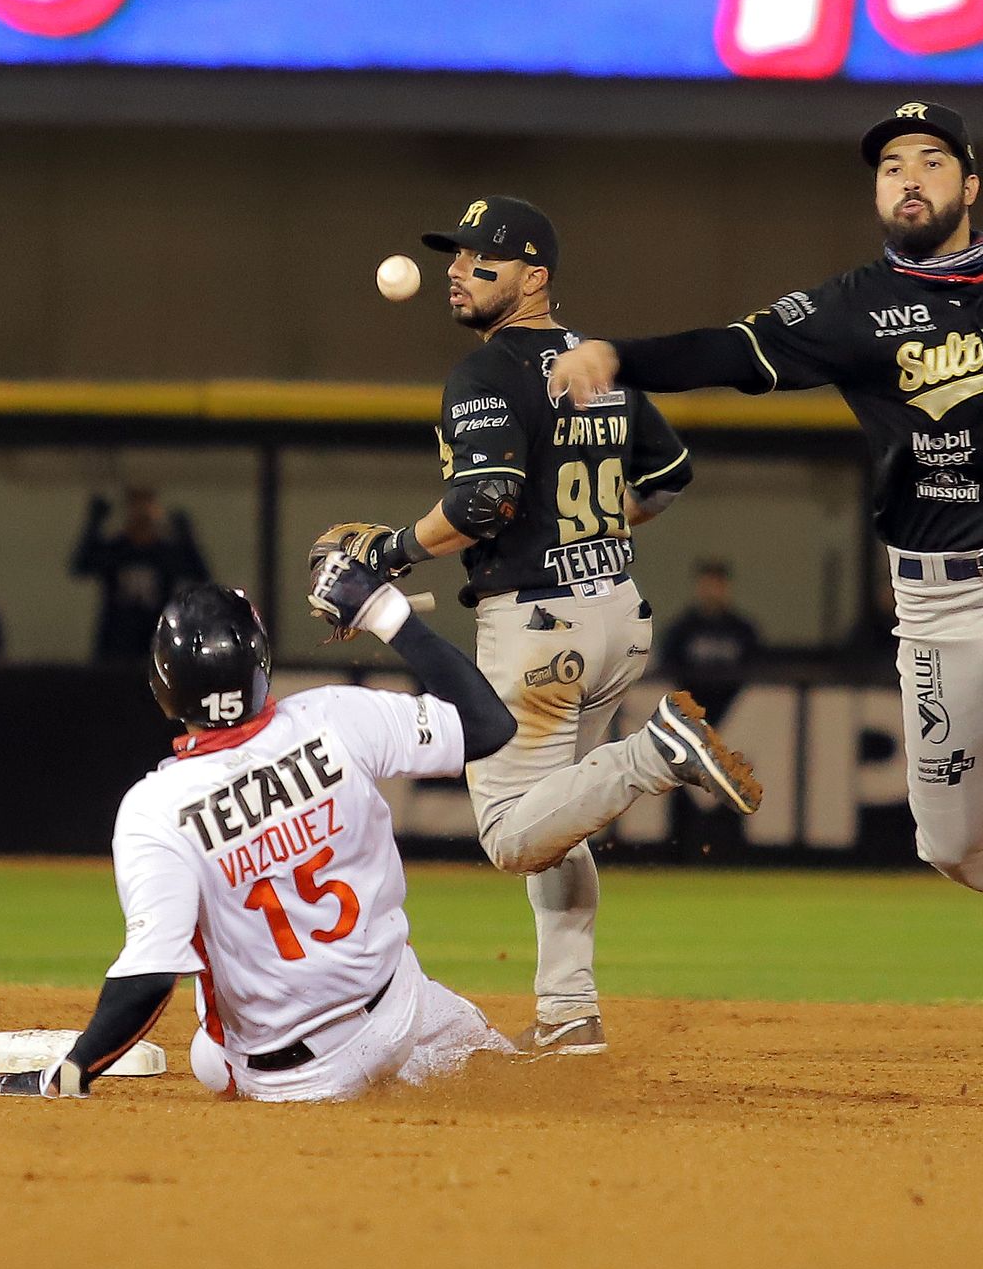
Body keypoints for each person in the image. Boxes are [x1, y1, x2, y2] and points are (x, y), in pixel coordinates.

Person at [550, 102, 983, 1111]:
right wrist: (620, 356)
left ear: (970, 185)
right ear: (877, 193)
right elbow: (738, 352)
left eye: (931, 159)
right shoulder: (854, 306)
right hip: (931, 607)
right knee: (947, 838)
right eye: (890, 165)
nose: (909, 176)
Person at [311, 195, 763, 1058]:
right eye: (456, 255)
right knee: (561, 821)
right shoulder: (599, 363)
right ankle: (569, 1013)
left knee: (513, 834)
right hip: (616, 619)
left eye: (482, 257)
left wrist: (396, 550)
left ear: (534, 277)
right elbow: (669, 472)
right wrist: (592, 529)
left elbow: (484, 499)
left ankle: (656, 752)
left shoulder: (487, 374)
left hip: (538, 631)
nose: (456, 268)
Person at [0, 565, 518, 1104]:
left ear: (163, 684)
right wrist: (385, 611)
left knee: (209, 1056)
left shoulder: (156, 807)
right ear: (260, 663)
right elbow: (489, 725)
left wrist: (70, 1071)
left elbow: (151, 976)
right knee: (508, 1074)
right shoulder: (337, 716)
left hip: (298, 1079)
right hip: (400, 1010)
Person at [71, 486, 211, 662]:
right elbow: (81, 567)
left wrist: (188, 539)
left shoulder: (165, 553)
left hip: (155, 642)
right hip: (117, 644)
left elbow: (201, 576)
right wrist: (93, 524)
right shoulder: (116, 551)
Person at [660, 560, 761, 725]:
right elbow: (668, 668)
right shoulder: (681, 630)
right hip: (689, 708)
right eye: (708, 585)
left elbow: (755, 668)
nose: (712, 592)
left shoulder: (743, 630)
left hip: (732, 708)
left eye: (717, 585)